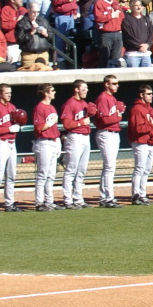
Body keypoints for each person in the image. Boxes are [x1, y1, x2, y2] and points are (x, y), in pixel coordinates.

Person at [0, 83, 22, 213]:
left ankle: (9, 202)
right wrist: (9, 128)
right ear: (0, 94)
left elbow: (18, 120)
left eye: (10, 92)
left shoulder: (12, 107)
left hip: (12, 142)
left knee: (11, 175)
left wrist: (18, 125)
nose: (9, 95)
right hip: (0, 142)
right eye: (7, 93)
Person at [92, 74, 126, 207]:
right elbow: (104, 120)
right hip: (105, 133)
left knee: (109, 167)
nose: (117, 85)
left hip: (114, 133)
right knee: (109, 167)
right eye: (114, 83)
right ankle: (108, 198)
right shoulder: (102, 98)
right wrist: (118, 116)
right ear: (106, 84)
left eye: (117, 83)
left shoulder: (112, 98)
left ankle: (105, 197)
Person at [60, 79, 93, 209]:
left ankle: (78, 198)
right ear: (76, 89)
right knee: (71, 169)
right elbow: (66, 124)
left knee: (81, 170)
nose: (86, 91)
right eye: (83, 88)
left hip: (85, 136)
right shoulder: (70, 104)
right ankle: (68, 200)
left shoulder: (84, 103)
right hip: (74, 137)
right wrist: (81, 123)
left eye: (86, 88)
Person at [126, 84, 153, 205]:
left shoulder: (147, 108)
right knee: (140, 169)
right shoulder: (137, 109)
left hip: (149, 143)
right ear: (142, 95)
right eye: (148, 94)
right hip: (140, 142)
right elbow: (138, 129)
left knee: (147, 169)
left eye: (151, 94)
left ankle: (142, 194)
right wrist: (151, 124)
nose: (151, 96)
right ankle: (135, 196)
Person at [32, 83, 62, 210]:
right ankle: (39, 202)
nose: (54, 92)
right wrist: (50, 123)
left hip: (53, 141)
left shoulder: (51, 107)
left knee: (51, 174)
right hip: (43, 142)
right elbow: (39, 128)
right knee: (42, 174)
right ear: (46, 93)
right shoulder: (40, 108)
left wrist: (58, 140)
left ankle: (49, 201)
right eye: (52, 90)